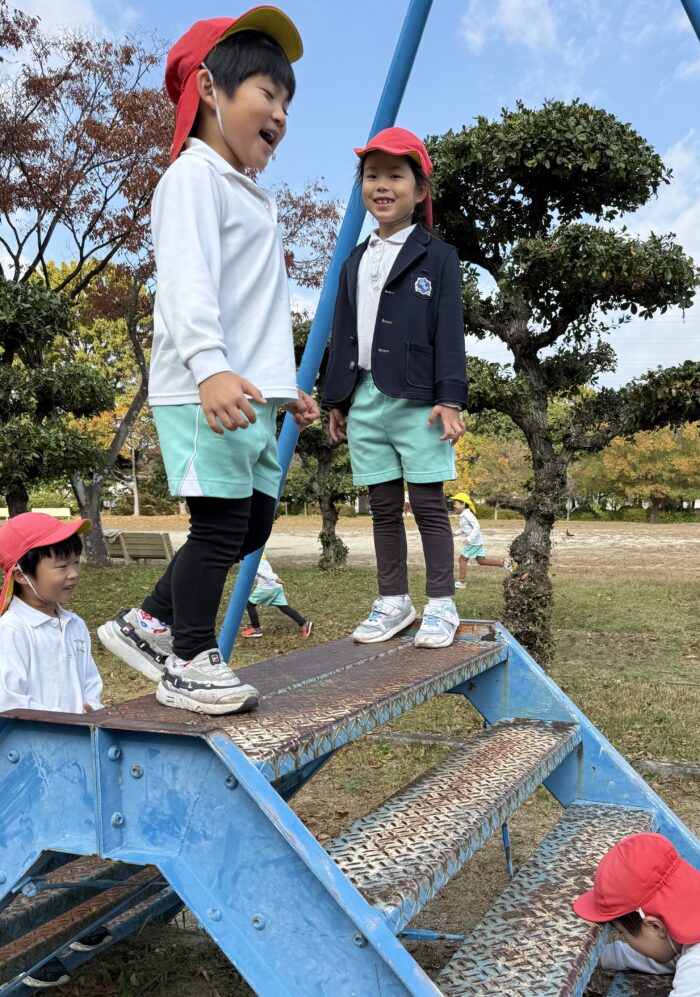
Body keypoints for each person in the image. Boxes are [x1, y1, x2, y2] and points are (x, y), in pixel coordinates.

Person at [97, 8, 318, 716]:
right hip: (206, 390)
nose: (280, 114)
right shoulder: (192, 178)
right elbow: (187, 284)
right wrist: (208, 367)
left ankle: (149, 621)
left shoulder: (251, 196)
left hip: (249, 392)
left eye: (287, 104)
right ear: (209, 89)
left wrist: (284, 389)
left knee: (252, 525)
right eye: (267, 93)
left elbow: (254, 309)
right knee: (220, 526)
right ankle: (190, 658)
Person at [323, 127, 467, 649]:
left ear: (419, 189)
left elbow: (449, 331)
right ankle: (393, 601)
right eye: (371, 176)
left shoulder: (438, 255)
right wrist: (337, 400)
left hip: (420, 401)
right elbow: (343, 332)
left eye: (395, 176)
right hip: (364, 397)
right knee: (382, 507)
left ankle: (441, 604)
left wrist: (450, 398)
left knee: (427, 505)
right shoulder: (353, 260)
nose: (381, 186)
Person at [0, 512, 111, 988]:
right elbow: (10, 706)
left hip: (74, 757)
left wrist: (92, 714)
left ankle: (73, 918)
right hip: (27, 766)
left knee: (71, 844)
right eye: (59, 565)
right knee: (26, 859)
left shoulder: (75, 625)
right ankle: (28, 946)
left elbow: (90, 688)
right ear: (21, 573)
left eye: (75, 562)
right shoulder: (11, 632)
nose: (72, 573)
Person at [573, 832, 700, 996]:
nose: (625, 939)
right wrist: (593, 958)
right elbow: (662, 955)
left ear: (655, 926)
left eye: (623, 933)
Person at [240, 554, 313, 638]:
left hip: (267, 588)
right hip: (276, 587)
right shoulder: (260, 556)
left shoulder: (255, 559)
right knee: (284, 607)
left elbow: (261, 571)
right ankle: (304, 624)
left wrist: (274, 578)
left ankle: (256, 628)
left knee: (250, 605)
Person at [450, 492, 507, 588]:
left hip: (473, 542)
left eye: (455, 503)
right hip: (476, 541)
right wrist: (454, 534)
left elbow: (477, 526)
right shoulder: (464, 515)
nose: (454, 505)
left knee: (462, 560)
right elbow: (464, 529)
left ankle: (461, 583)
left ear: (463, 504)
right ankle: (504, 563)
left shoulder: (467, 514)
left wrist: (469, 539)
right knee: (481, 561)